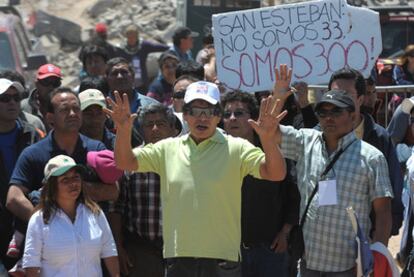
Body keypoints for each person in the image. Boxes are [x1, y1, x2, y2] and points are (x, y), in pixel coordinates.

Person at [104, 81, 286, 277]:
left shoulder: (237, 148)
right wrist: (123, 130)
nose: (202, 117)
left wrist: (268, 139)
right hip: (179, 257)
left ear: (218, 116)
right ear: (185, 115)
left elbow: (275, 173)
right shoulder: (167, 148)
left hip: (222, 259)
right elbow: (124, 162)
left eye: (208, 111)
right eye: (195, 110)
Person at [275, 83, 393, 275]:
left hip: (349, 267)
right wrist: (278, 97)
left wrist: (377, 257)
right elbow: (269, 132)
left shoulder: (372, 157)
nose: (329, 118)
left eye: (336, 112)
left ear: (353, 116)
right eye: (322, 112)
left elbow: (383, 212)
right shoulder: (306, 141)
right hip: (308, 262)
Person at [6, 87, 118, 226]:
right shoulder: (33, 154)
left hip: (91, 239)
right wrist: (44, 224)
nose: (72, 114)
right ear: (50, 118)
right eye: (64, 110)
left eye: (76, 109)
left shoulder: (96, 149)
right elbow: (13, 198)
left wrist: (66, 189)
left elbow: (113, 191)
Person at [221, 91, 300, 277]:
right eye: (227, 114)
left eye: (239, 113)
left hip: (270, 249)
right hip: (230, 252)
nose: (232, 118)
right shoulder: (216, 155)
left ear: (253, 118)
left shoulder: (272, 152)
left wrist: (286, 232)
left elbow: (293, 192)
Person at [108, 103, 177, 277]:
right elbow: (118, 208)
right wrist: (118, 246)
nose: (155, 129)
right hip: (141, 252)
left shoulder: (189, 159)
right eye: (148, 124)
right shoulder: (128, 161)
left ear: (172, 128)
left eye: (161, 124)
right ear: (141, 130)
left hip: (181, 252)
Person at [22, 155, 119, 277]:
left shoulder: (96, 213)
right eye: (65, 180)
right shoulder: (38, 220)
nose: (73, 183)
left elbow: (109, 251)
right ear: (52, 186)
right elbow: (31, 264)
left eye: (76, 177)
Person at [0, 79, 42, 270]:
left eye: (16, 98)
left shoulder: (34, 135)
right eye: (5, 98)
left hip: (29, 223)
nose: (12, 103)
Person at [105, 57, 158, 146]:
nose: (120, 76)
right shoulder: (102, 108)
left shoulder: (152, 105)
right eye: (114, 73)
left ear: (133, 76)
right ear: (107, 79)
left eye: (124, 72)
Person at [119, 24, 169, 91]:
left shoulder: (143, 46)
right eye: (129, 37)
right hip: (127, 83)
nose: (131, 39)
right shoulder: (122, 49)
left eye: (133, 37)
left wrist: (171, 48)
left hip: (142, 83)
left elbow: (157, 47)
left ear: (137, 37)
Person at [21, 64, 62, 131]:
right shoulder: (23, 107)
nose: (51, 87)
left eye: (55, 83)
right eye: (46, 82)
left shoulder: (68, 106)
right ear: (37, 84)